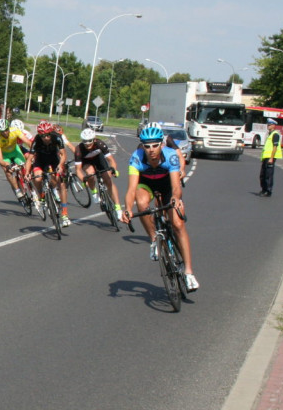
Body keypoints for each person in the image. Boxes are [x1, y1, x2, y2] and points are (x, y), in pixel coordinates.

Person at [121, 124, 198, 291]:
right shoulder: (136, 158)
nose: (151, 150)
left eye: (155, 145)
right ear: (142, 146)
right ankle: (154, 239)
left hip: (167, 186)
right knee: (141, 203)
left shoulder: (170, 156)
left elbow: (176, 186)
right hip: (146, 184)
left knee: (178, 224)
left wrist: (176, 199)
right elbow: (131, 189)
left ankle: (189, 272)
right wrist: (127, 208)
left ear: (161, 144)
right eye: (147, 146)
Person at [25, 121, 70, 227]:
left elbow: (63, 155)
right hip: (40, 160)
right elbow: (30, 159)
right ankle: (41, 197)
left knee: (61, 183)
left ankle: (64, 213)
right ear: (40, 135)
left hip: (54, 159)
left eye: (48, 135)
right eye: (43, 136)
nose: (46, 138)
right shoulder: (36, 140)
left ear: (51, 133)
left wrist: (60, 165)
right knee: (37, 178)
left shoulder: (57, 137)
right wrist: (27, 172)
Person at [74, 127, 123, 219]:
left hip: (98, 159)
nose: (87, 143)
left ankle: (118, 208)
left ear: (94, 139)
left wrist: (114, 170)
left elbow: (111, 160)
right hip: (86, 162)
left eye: (90, 141)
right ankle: (94, 192)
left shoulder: (100, 144)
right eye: (84, 141)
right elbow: (78, 170)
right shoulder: (78, 150)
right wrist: (84, 180)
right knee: (90, 173)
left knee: (108, 180)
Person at [0, 118, 32, 199]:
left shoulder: (15, 130)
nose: (5, 133)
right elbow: (0, 159)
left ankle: (25, 181)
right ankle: (17, 190)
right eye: (2, 131)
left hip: (15, 151)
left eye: (6, 130)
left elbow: (28, 142)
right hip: (5, 156)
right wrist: (7, 165)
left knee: (24, 165)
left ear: (9, 127)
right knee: (8, 172)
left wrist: (33, 152)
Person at [259, 119, 283, 196]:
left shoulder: (275, 134)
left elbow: (275, 147)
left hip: (270, 158)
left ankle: (268, 191)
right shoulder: (270, 134)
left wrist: (271, 158)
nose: (268, 126)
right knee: (262, 175)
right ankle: (263, 189)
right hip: (265, 157)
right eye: (267, 125)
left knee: (268, 175)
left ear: (273, 125)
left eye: (269, 125)